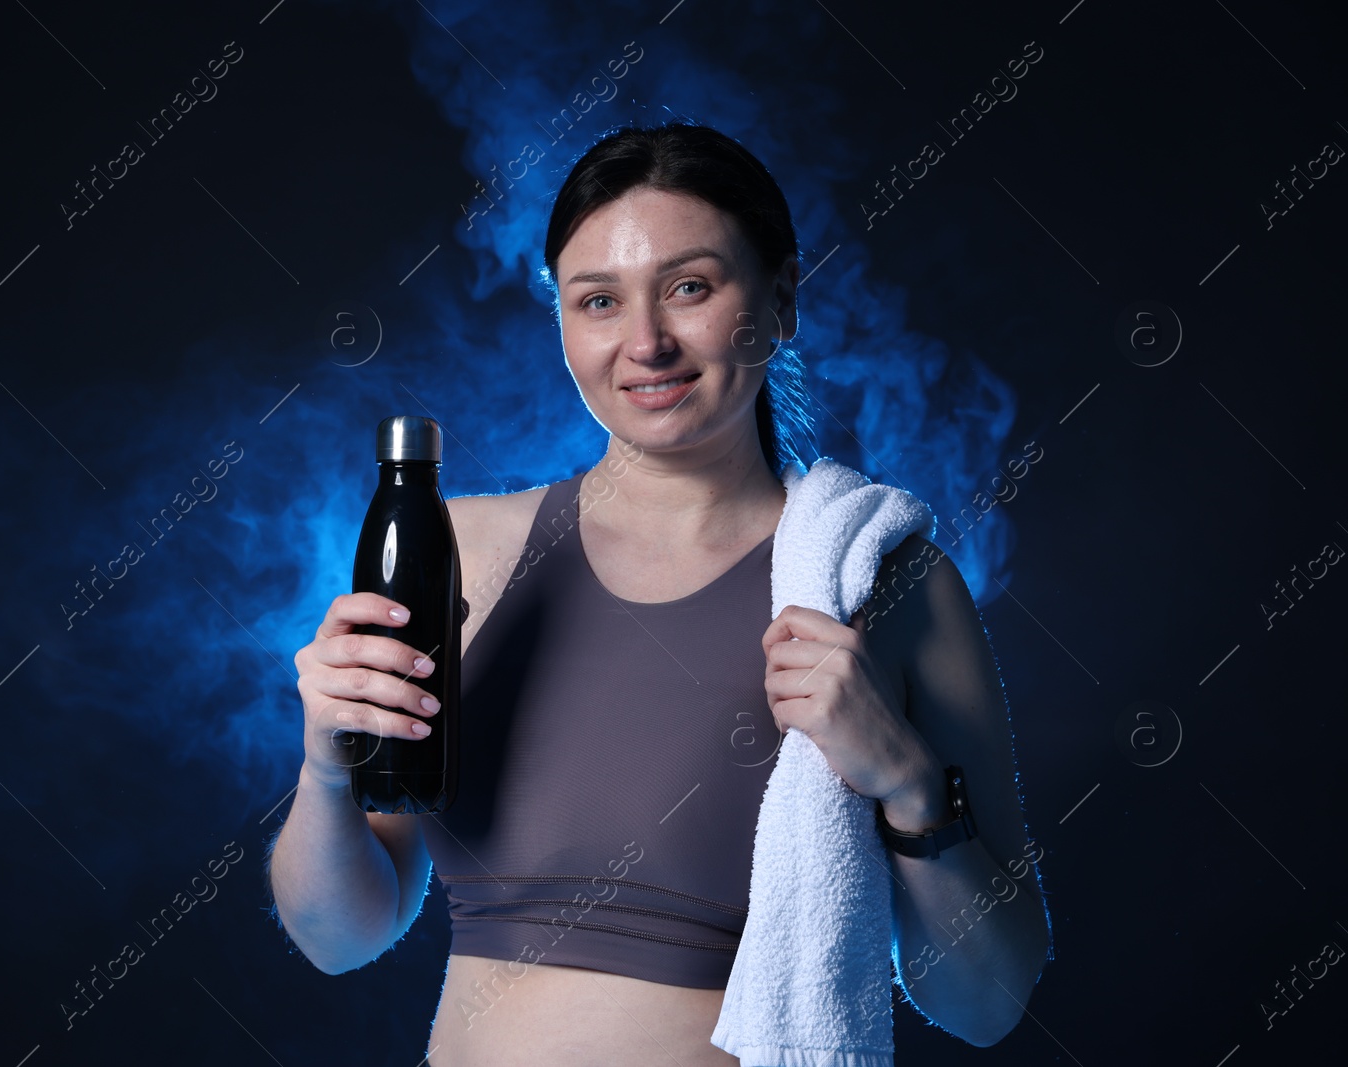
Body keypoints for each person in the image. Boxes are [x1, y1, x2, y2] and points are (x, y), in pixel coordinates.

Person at [270, 121, 1052, 1065]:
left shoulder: (880, 584)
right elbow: (341, 934)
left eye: (690, 287)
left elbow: (988, 1000)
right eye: (598, 300)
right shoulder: (460, 552)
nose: (645, 342)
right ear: (561, 319)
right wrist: (325, 766)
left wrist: (908, 784)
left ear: (782, 297)